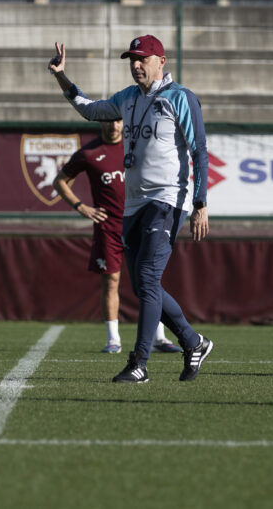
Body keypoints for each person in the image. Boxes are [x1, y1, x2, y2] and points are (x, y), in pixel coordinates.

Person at [49, 34, 213, 383]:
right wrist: (62, 77)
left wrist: (200, 204)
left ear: (161, 61)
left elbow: (199, 151)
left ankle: (139, 362)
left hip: (167, 200)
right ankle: (192, 341)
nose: (135, 65)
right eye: (131, 60)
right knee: (142, 285)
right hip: (134, 203)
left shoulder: (180, 97)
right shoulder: (127, 98)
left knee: (149, 278)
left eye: (141, 59)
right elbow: (91, 110)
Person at [52, 119, 182, 355]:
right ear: (100, 122)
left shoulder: (137, 145)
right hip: (108, 227)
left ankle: (159, 338)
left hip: (140, 223)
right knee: (110, 281)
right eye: (108, 120)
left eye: (118, 120)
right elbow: (59, 181)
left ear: (124, 122)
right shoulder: (89, 153)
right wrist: (81, 206)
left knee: (151, 280)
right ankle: (113, 339)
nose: (113, 125)